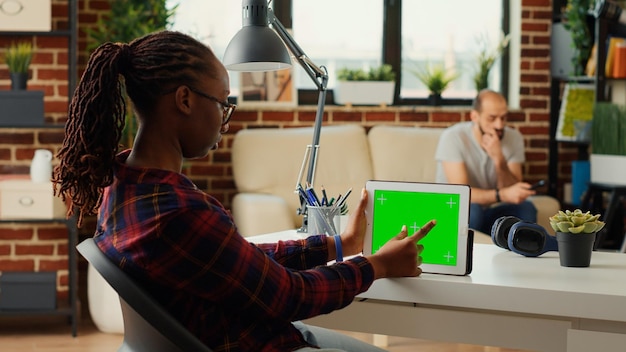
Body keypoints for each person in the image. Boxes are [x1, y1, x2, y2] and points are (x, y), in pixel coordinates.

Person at [52, 30, 436, 352]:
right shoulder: (179, 212)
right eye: (223, 103)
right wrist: (378, 265)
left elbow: (239, 261)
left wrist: (340, 244)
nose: (225, 120)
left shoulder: (122, 183)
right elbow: (289, 296)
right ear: (184, 100)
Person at [434, 89, 537, 235]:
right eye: (492, 118)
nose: (499, 125)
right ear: (475, 116)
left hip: (490, 209)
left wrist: (499, 159)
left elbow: (513, 192)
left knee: (527, 209)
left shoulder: (514, 138)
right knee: (473, 211)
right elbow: (462, 194)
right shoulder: (453, 137)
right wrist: (501, 195)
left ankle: (513, 251)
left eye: (503, 118)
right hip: (454, 208)